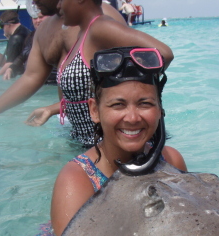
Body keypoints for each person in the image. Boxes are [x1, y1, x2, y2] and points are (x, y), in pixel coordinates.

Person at [51, 47, 187, 236]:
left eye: (145, 103)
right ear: (95, 111)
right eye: (118, 105)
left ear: (160, 109)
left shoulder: (172, 160)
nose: (132, 118)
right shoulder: (76, 180)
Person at [0, 1, 126, 133]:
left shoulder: (100, 17)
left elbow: (134, 74)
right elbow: (31, 77)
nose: (34, 2)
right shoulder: (44, 30)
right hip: (76, 131)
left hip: (115, 133)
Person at [53, 0, 174, 146]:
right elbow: (84, 94)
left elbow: (164, 54)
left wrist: (136, 88)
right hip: (91, 146)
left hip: (114, 146)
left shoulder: (100, 28)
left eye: (60, 0)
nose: (58, 5)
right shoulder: (83, 33)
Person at [2, 11, 52, 81]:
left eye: (41, 17)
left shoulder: (57, 36)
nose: (38, 20)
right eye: (34, 18)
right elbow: (22, 56)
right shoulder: (31, 37)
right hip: (35, 80)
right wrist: (11, 68)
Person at [0, 10, 31, 75]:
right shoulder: (24, 30)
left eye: (2, 26)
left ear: (8, 25)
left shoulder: (15, 39)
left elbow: (10, 63)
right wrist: (9, 37)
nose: (2, 29)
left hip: (23, 73)